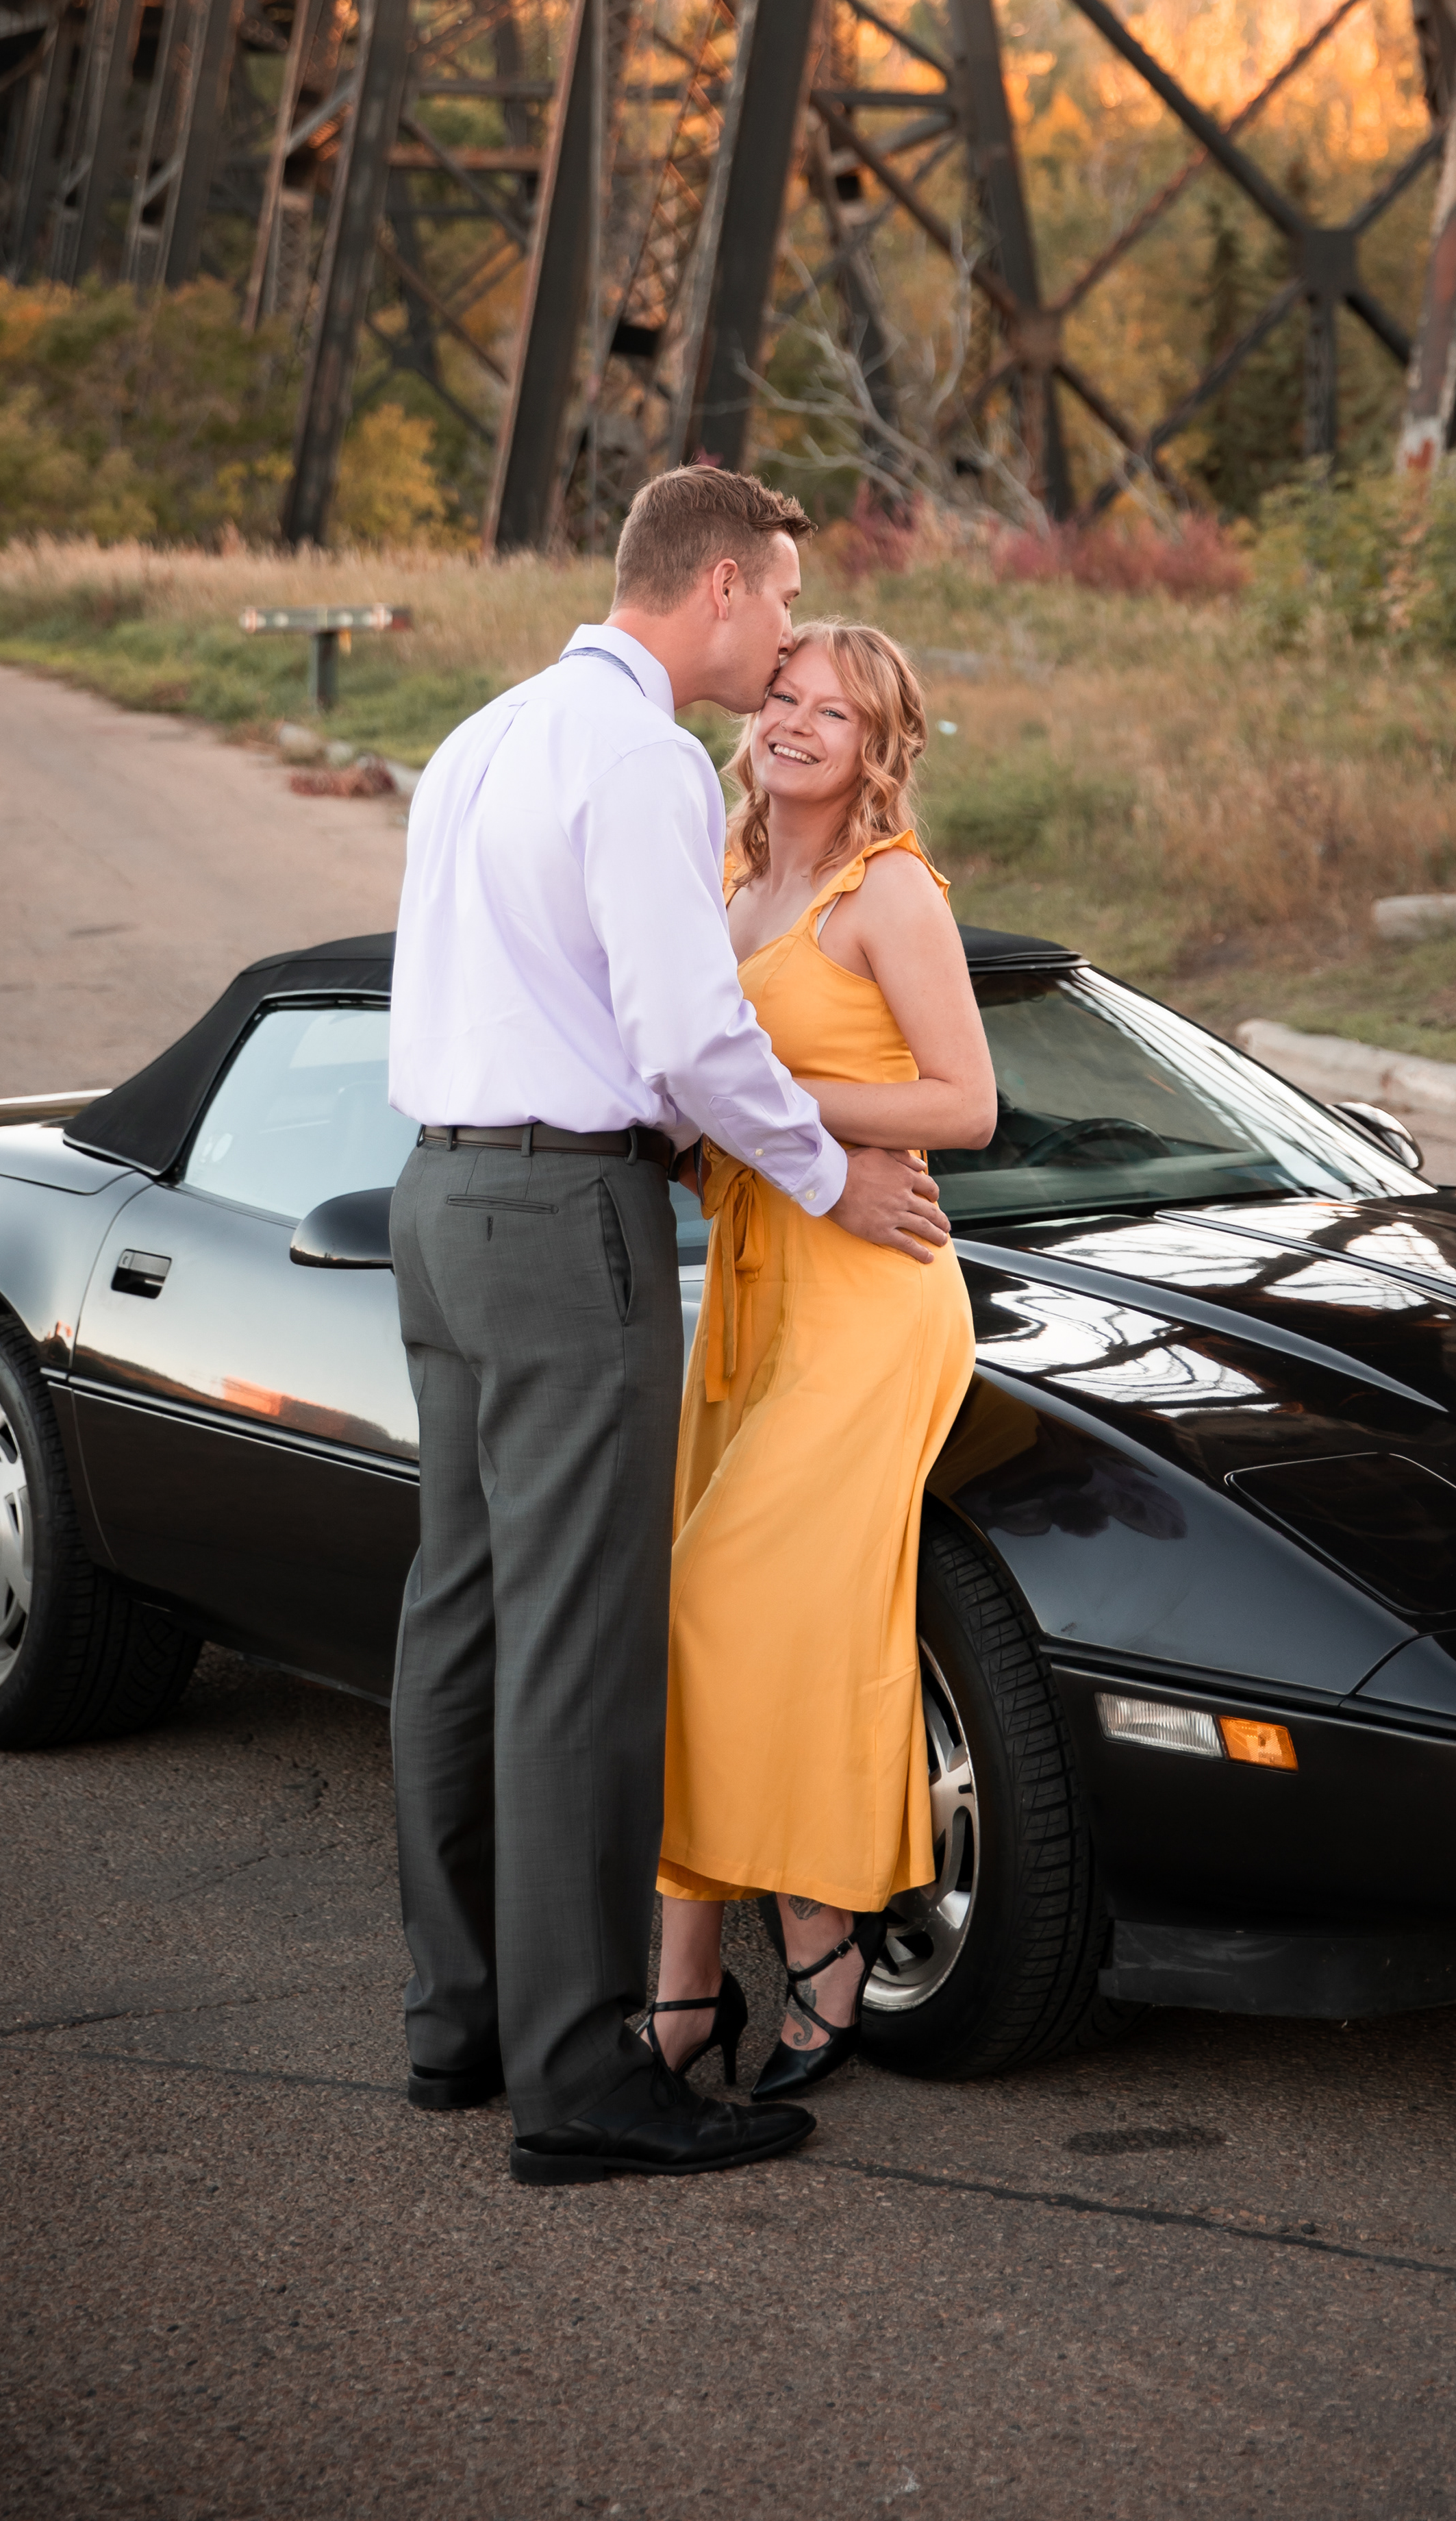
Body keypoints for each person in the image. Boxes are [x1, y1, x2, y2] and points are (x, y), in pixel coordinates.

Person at [384, 469, 950, 2189]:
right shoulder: (633, 760)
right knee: (578, 1647)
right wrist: (825, 1174)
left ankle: (460, 2023)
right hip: (563, 1214)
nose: (785, 636)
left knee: (463, 1617)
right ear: (714, 589)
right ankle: (583, 2081)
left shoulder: (487, 733)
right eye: (780, 603)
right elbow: (692, 1037)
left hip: (439, 1196)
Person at [645, 620, 996, 2100]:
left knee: (732, 1601)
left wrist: (770, 1089)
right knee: (706, 1613)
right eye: (781, 696)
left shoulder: (886, 893)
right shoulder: (728, 879)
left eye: (831, 712)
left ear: (877, 748)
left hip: (870, 1290)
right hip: (749, 1287)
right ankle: (684, 1993)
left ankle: (820, 1950)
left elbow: (969, 1106)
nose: (792, 722)